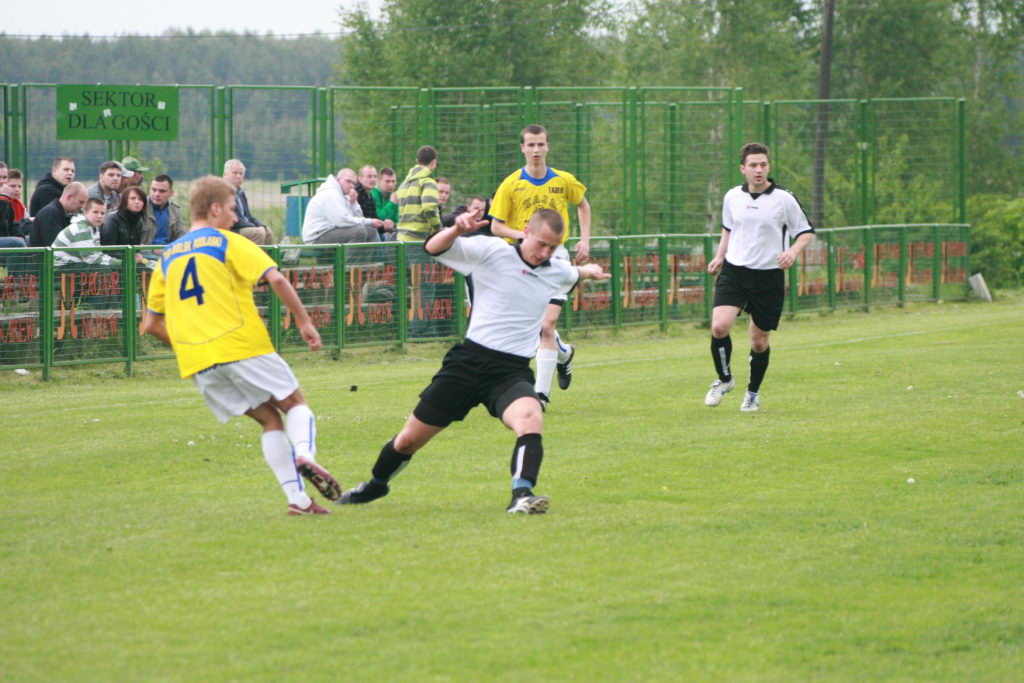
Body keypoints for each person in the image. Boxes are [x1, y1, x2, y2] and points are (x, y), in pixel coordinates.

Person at [335, 208, 610, 514]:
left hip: (510, 373)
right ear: (526, 232)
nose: (545, 252)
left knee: (531, 419)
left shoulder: (555, 269)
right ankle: (375, 485)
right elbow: (432, 247)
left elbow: (573, 273)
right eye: (541, 244)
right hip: (468, 364)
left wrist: (590, 271)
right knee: (407, 441)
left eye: (553, 247)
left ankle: (522, 495)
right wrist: (456, 229)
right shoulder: (491, 251)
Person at [142, 176, 341, 516]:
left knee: (270, 420)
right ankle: (305, 454)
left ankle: (298, 500)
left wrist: (190, 346)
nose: (236, 217)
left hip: (198, 361)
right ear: (214, 208)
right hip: (240, 344)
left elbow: (150, 324)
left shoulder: (167, 256)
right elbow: (276, 278)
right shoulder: (226, 241)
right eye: (232, 209)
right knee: (295, 403)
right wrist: (304, 321)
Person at [704, 142, 815, 412]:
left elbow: (805, 233)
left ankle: (752, 394)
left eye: (763, 165)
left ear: (769, 167)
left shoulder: (784, 199)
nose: (758, 170)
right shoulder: (732, 196)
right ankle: (725, 379)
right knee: (719, 326)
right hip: (735, 271)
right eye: (753, 165)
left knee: (759, 341)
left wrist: (792, 252)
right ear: (743, 169)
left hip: (768, 277)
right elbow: (728, 228)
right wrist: (720, 256)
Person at [490, 124, 591, 410]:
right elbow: (496, 226)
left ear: (547, 146)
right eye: (531, 145)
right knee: (534, 325)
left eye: (540, 144)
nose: (536, 150)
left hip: (556, 258)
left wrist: (584, 240)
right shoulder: (511, 184)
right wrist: (525, 236)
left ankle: (541, 396)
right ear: (522, 148)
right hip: (521, 261)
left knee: (546, 325)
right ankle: (564, 354)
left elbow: (583, 205)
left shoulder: (563, 180)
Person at [301, 168, 383, 245]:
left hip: (330, 231)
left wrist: (354, 204)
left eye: (354, 183)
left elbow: (357, 218)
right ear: (338, 180)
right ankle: (349, 257)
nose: (351, 185)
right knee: (359, 232)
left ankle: (373, 256)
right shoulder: (330, 194)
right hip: (316, 238)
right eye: (348, 181)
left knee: (371, 230)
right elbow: (342, 221)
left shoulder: (344, 195)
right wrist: (369, 221)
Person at [52, 198, 121, 271]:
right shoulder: (81, 229)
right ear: (85, 213)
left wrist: (116, 262)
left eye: (102, 213)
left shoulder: (94, 228)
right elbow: (90, 257)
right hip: (60, 268)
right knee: (104, 269)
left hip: (75, 264)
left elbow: (97, 254)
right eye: (95, 212)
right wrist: (118, 263)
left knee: (110, 268)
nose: (99, 216)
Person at [394, 146, 441, 243]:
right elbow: (428, 208)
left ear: (417, 161)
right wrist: (437, 227)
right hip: (419, 239)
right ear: (434, 162)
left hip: (402, 238)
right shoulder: (429, 182)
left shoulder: (403, 184)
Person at [223, 159, 274, 245]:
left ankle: (264, 254)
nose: (238, 176)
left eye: (241, 174)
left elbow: (249, 216)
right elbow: (233, 219)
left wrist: (261, 226)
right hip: (232, 229)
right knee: (257, 233)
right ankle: (253, 254)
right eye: (235, 173)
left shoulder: (240, 192)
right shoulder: (223, 191)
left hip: (244, 226)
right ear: (225, 174)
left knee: (268, 232)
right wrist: (254, 227)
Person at [29, 182, 87, 247]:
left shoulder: (59, 213)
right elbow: (57, 246)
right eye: (81, 202)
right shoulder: (50, 214)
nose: (82, 206)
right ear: (69, 197)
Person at [141, 174, 186, 247]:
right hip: (144, 251)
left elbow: (181, 235)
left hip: (168, 250)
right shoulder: (140, 207)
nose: (157, 194)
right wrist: (152, 250)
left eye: (162, 191)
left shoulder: (175, 210)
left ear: (171, 193)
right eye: (154, 190)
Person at [0, 169, 28, 245]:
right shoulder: (4, 200)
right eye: (12, 186)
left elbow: (13, 226)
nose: (17, 189)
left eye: (19, 186)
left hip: (8, 237)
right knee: (17, 242)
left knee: (30, 238)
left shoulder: (18, 204)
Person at [371, 167, 399, 236]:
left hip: (391, 231)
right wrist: (391, 203)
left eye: (393, 181)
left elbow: (397, 219)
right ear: (379, 181)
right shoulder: (373, 194)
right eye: (387, 181)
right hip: (376, 231)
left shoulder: (394, 195)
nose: (391, 185)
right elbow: (379, 219)